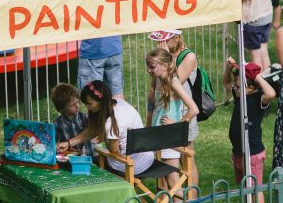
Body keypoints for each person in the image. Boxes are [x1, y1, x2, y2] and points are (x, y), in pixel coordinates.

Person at [57, 80, 153, 176]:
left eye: (89, 104)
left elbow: (115, 153)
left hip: (131, 166)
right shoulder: (119, 102)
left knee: (85, 167)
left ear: (101, 102)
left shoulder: (111, 123)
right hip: (147, 157)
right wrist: (68, 143)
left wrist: (106, 139)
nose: (87, 107)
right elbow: (92, 131)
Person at [148, 29, 199, 186]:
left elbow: (193, 108)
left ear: (176, 38)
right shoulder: (158, 77)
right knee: (169, 179)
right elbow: (152, 102)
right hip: (161, 133)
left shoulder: (185, 60)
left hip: (173, 129)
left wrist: (178, 126)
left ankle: (191, 198)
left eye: (165, 38)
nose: (161, 41)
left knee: (177, 175)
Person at [223, 60, 276, 202]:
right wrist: (228, 70)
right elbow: (226, 84)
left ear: (250, 86)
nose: (235, 84)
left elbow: (271, 94)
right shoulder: (240, 95)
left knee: (255, 188)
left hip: (253, 153)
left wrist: (258, 76)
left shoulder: (258, 98)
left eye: (239, 81)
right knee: (244, 186)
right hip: (239, 151)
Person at [51, 83, 92, 156]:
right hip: (70, 160)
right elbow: (54, 145)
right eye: (72, 105)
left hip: (88, 159)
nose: (77, 106)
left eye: (77, 102)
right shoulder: (57, 124)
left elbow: (93, 133)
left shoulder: (85, 118)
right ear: (61, 108)